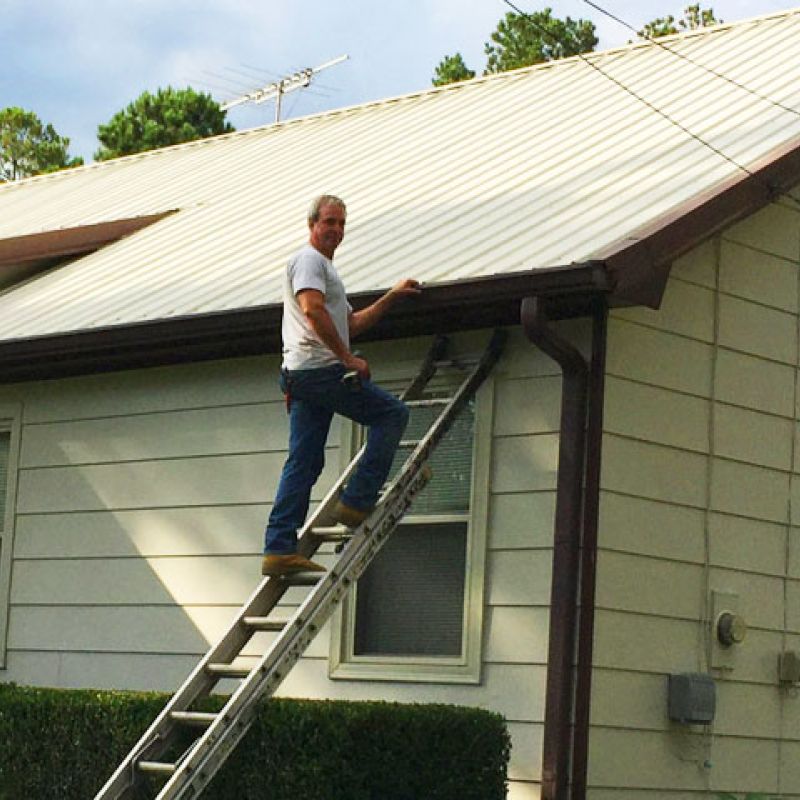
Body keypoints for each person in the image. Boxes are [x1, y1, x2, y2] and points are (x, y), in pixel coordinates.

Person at [262, 195, 421, 576]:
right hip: (319, 371)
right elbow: (312, 310)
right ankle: (357, 501)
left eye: (341, 223)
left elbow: (351, 325)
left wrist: (391, 297)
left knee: (304, 461)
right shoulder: (309, 261)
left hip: (303, 374)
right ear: (312, 224)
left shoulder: (327, 270)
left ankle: (279, 549)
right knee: (392, 415)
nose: (336, 229)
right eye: (329, 222)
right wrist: (347, 359)